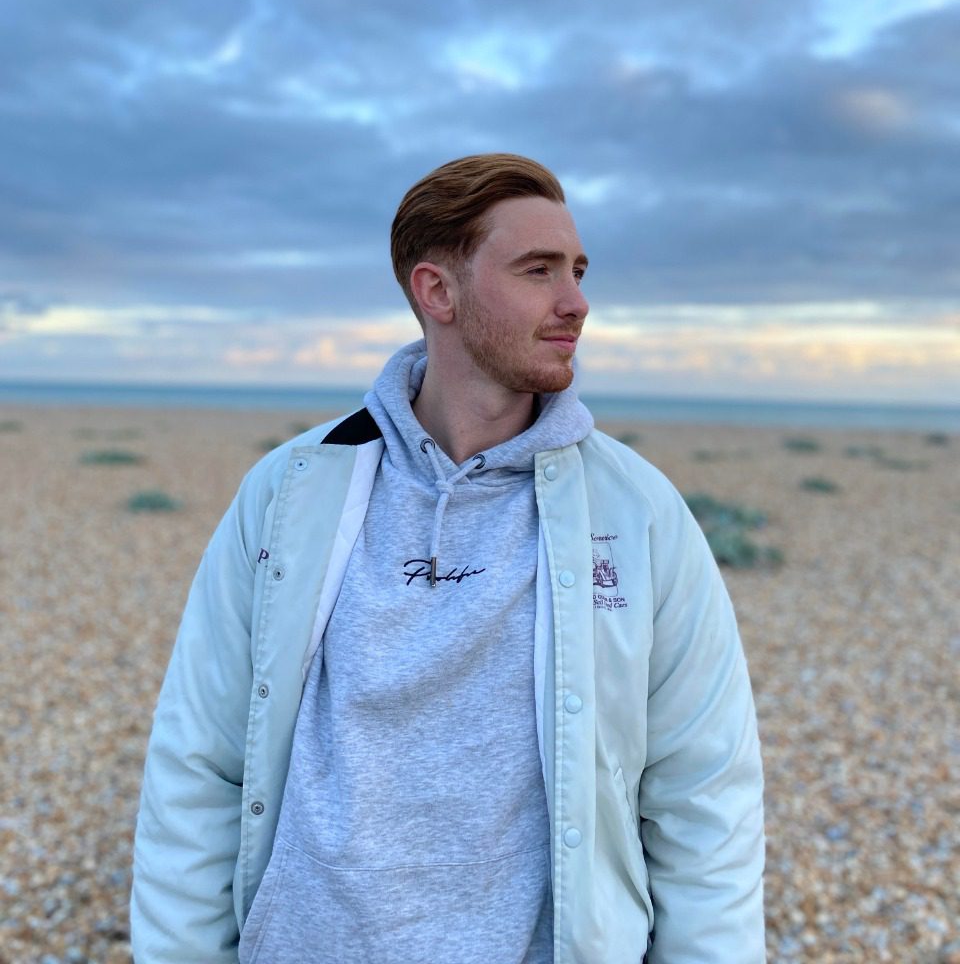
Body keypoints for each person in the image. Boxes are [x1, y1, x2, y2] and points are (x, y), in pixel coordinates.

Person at [131, 153, 765, 964]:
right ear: (437, 292)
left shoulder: (637, 511)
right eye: (538, 270)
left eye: (577, 271)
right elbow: (198, 763)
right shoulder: (291, 492)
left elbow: (704, 796)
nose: (576, 302)